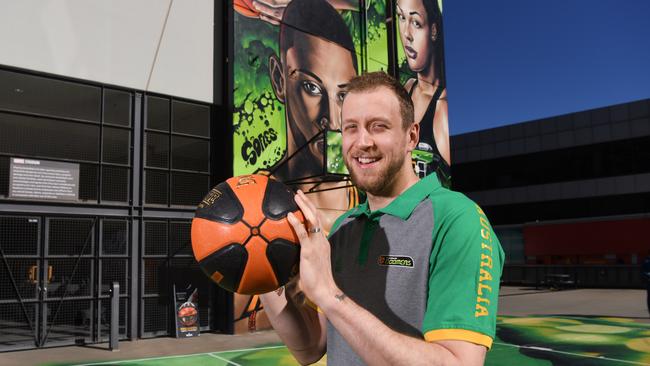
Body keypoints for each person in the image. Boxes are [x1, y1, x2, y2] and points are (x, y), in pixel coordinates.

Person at [261, 71, 504, 365]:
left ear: (411, 136)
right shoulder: (343, 228)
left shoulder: (457, 219)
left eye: (378, 126)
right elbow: (312, 346)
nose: (362, 142)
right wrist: (260, 271)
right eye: (351, 127)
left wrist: (330, 295)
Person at [267, 0, 359, 231]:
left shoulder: (370, 201)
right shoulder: (258, 202)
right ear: (279, 79)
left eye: (343, 94)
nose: (331, 118)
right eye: (312, 88)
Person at [396, 0, 450, 184]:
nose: (406, 34)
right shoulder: (407, 89)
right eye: (401, 17)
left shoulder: (442, 109)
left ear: (434, 31)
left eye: (416, 23)